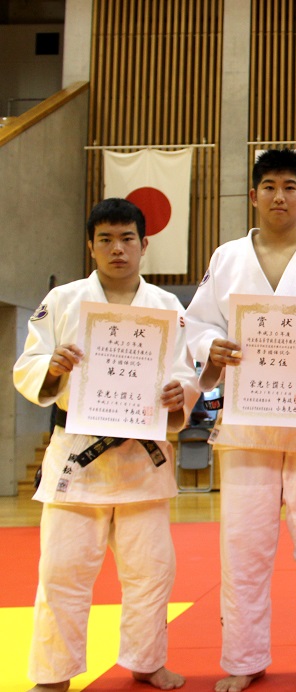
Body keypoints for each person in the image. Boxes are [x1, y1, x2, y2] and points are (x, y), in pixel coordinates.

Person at [185, 149, 296, 691]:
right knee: (243, 550)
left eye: (290, 186)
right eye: (269, 186)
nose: (279, 195)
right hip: (247, 429)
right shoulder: (226, 257)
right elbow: (197, 325)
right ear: (254, 195)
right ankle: (243, 661)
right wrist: (213, 348)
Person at [14, 198, 200, 692]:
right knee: (61, 574)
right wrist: (53, 367)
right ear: (91, 245)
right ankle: (54, 674)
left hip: (143, 458)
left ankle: (146, 660)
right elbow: (27, 365)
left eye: (127, 239)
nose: (117, 249)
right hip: (79, 455)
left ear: (145, 244)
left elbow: (186, 375)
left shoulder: (166, 307)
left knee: (151, 573)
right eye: (106, 240)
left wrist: (179, 395)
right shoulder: (63, 301)